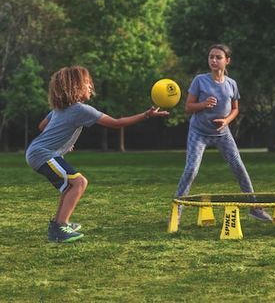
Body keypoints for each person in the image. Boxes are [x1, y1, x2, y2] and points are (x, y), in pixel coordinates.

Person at [26, 66, 169, 243]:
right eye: (87, 84)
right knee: (79, 182)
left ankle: (58, 224)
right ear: (75, 87)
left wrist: (62, 142)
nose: (90, 88)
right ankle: (60, 228)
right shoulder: (81, 110)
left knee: (71, 185)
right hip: (43, 154)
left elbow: (42, 126)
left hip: (38, 152)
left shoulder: (58, 109)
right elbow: (116, 123)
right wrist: (146, 115)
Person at [173, 44, 271, 222]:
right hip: (199, 132)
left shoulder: (231, 84)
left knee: (239, 168)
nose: (214, 60)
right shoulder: (199, 80)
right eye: (211, 57)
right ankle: (177, 210)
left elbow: (235, 109)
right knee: (191, 170)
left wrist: (226, 121)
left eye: (218, 57)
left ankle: (255, 208)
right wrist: (203, 105)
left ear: (227, 61)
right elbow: (188, 107)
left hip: (222, 133)